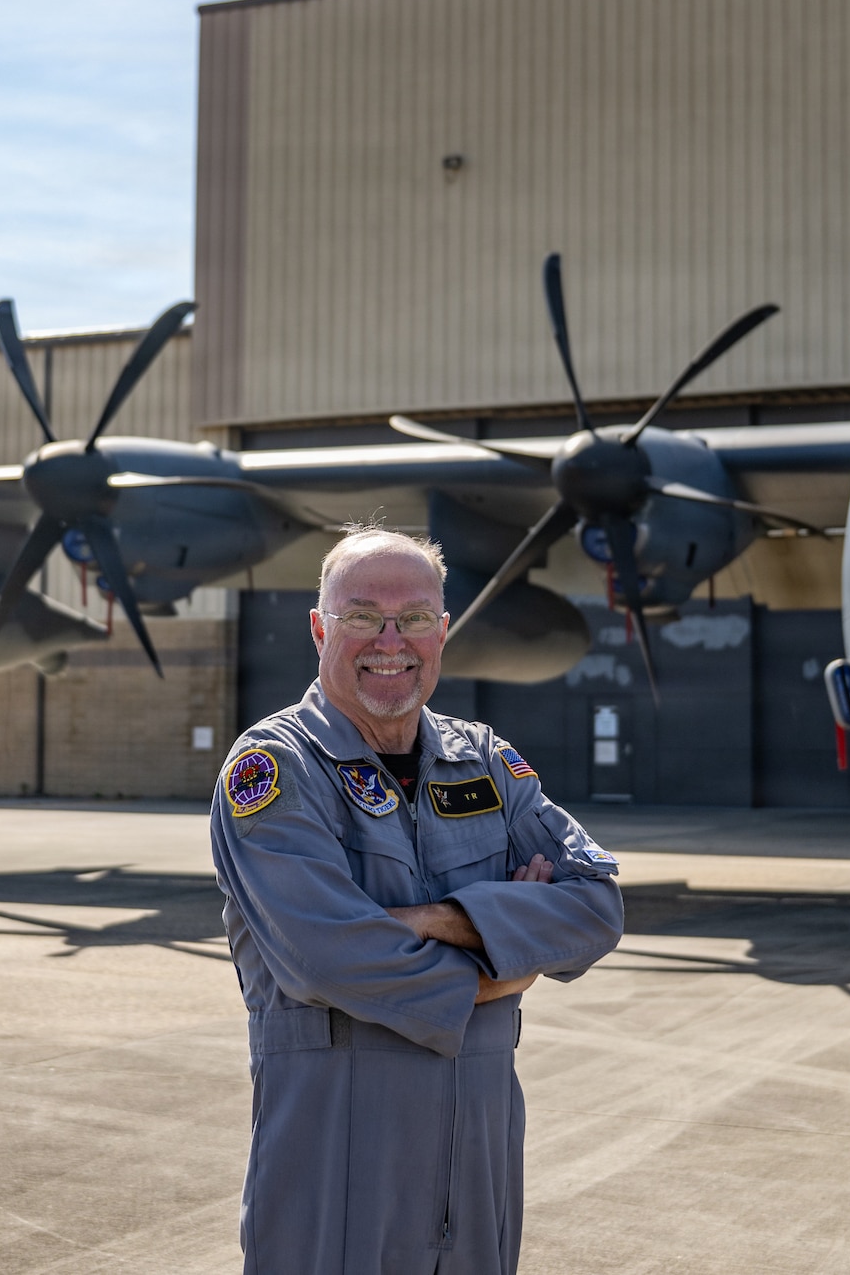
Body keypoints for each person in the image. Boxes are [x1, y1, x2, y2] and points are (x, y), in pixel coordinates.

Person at [209, 525, 623, 1275]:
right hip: (333, 1173)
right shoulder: (276, 769)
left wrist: (441, 921)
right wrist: (508, 962)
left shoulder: (485, 760)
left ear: (444, 630)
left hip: (478, 1173)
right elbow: (326, 957)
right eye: (362, 616)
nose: (390, 640)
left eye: (416, 618)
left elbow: (595, 904)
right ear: (319, 628)